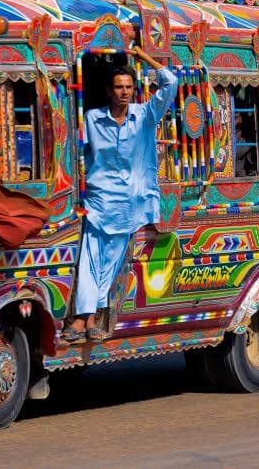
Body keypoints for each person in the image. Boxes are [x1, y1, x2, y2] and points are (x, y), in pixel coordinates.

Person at [63, 46, 179, 343]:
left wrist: (145, 58)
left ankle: (87, 317)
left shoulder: (145, 115)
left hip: (130, 202)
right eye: (119, 87)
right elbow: (75, 150)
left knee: (110, 261)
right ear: (109, 90)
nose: (124, 92)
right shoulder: (91, 118)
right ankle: (85, 318)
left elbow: (171, 84)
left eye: (128, 87)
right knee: (90, 259)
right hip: (99, 199)